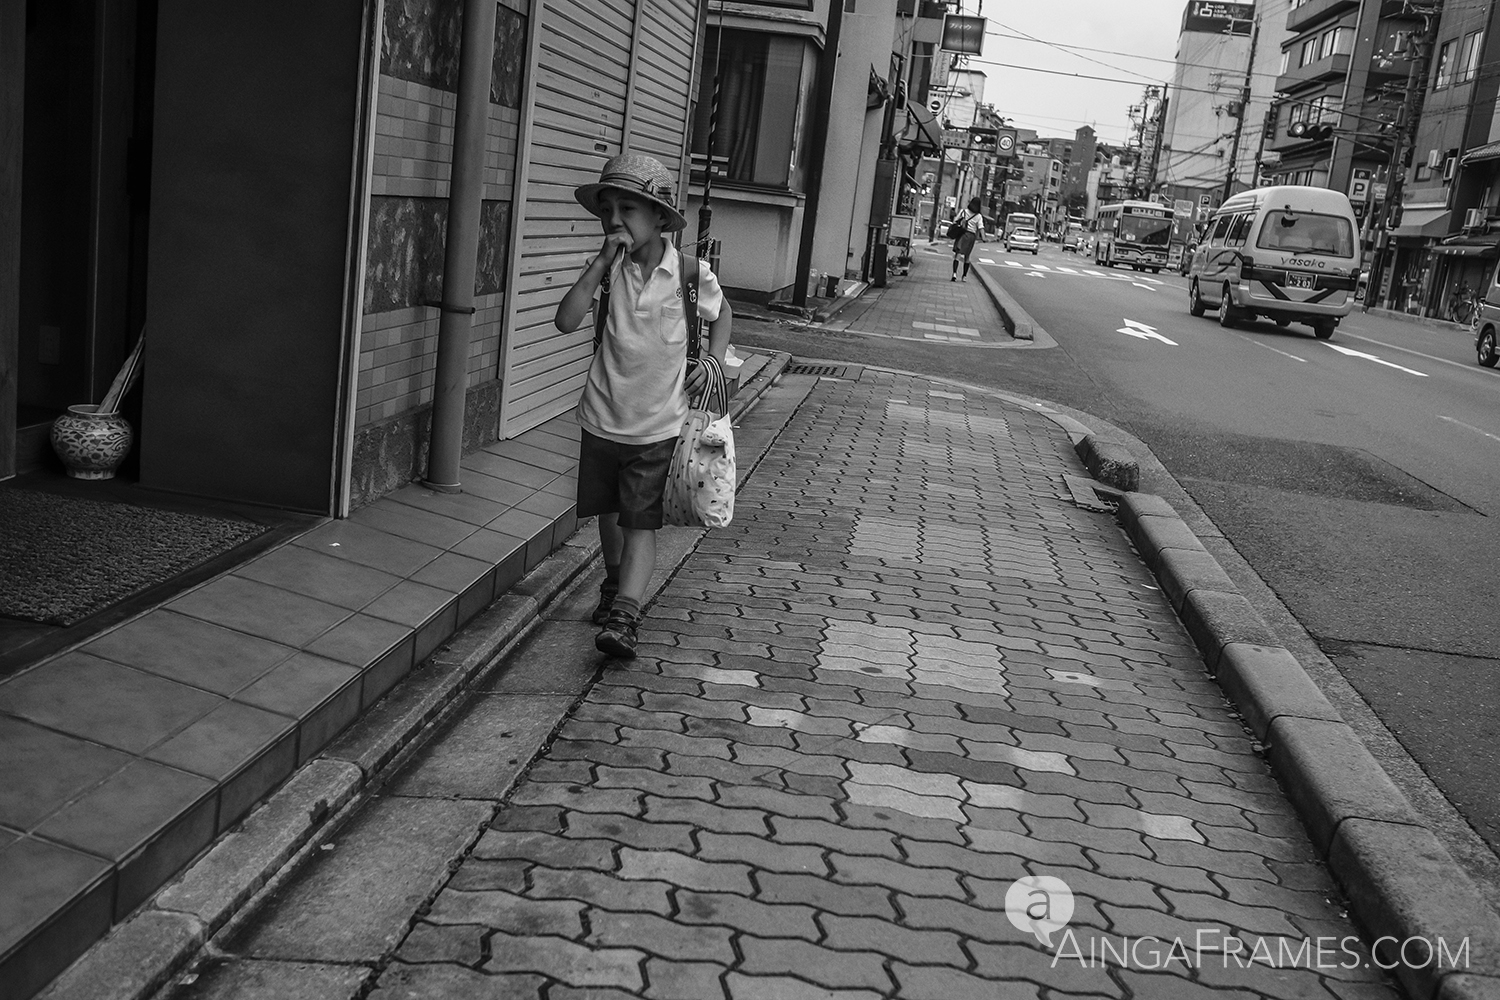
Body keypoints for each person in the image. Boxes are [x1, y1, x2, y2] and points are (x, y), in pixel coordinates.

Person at [554, 153, 731, 658]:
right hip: (602, 417)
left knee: (639, 522)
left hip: (661, 425)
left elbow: (724, 315)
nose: (614, 219)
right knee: (609, 515)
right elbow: (566, 321)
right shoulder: (608, 274)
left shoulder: (690, 275)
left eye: (627, 208)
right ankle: (614, 587)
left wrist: (712, 364)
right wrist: (598, 265)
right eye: (607, 208)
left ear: (659, 217)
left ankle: (626, 617)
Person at [951, 197, 985, 280]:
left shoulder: (963, 211)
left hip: (962, 234)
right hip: (971, 236)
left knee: (958, 254)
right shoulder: (978, 216)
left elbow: (955, 221)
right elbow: (981, 227)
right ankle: (964, 276)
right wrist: (984, 238)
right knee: (967, 256)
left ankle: (954, 274)